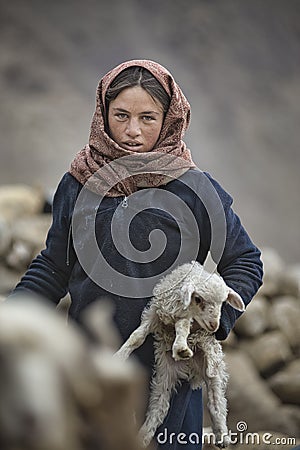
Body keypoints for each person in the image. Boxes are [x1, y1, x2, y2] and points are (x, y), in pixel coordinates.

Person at [9, 59, 263, 449]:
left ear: (169, 119)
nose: (132, 131)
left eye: (148, 117)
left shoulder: (194, 188)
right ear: (102, 114)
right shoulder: (79, 184)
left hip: (170, 365)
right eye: (121, 115)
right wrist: (9, 324)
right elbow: (52, 267)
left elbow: (244, 261)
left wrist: (210, 322)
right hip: (91, 366)